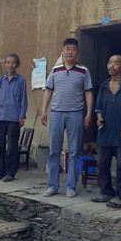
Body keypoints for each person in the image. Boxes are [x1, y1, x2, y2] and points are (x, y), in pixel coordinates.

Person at [41, 38, 93, 198]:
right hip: (56, 113)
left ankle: (71, 186)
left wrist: (89, 113)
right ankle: (53, 185)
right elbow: (48, 90)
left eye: (73, 49)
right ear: (63, 51)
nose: (70, 52)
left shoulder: (83, 71)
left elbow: (88, 93)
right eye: (67, 49)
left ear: (77, 52)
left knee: (74, 151)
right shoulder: (55, 70)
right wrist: (44, 111)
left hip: (76, 114)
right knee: (54, 150)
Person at [91, 55, 121, 208]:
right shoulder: (104, 86)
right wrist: (99, 118)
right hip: (105, 133)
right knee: (102, 165)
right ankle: (106, 192)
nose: (111, 66)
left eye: (116, 63)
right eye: (109, 62)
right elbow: (98, 108)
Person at [0, 54, 28, 182]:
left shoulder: (21, 81)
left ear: (17, 65)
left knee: (12, 147)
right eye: (8, 63)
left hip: (13, 118)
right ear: (5, 64)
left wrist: (22, 116)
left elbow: (23, 100)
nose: (10, 65)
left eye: (13, 63)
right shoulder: (0, 81)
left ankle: (10, 173)